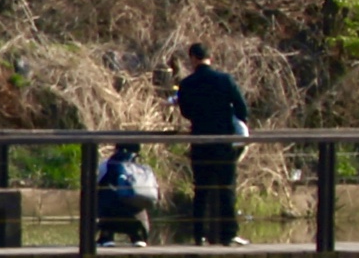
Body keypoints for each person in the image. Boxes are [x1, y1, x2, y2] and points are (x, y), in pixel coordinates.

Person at [173, 42, 250, 246]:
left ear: (192, 59)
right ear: (210, 58)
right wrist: (231, 121)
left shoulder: (187, 84)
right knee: (227, 189)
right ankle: (229, 233)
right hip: (224, 143)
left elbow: (185, 112)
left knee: (201, 190)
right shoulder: (225, 80)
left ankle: (199, 234)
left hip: (200, 141)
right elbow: (242, 108)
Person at [95, 141, 159, 246]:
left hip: (111, 214)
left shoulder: (107, 164)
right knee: (133, 200)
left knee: (104, 194)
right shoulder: (142, 168)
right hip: (136, 216)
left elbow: (98, 182)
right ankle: (137, 237)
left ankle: (107, 237)